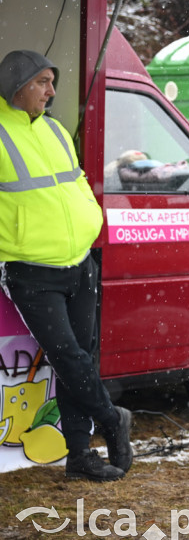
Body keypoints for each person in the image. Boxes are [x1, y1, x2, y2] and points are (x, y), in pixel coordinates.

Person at [0, 50, 132, 481]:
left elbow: (73, 183)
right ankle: (112, 420)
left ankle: (79, 455)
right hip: (32, 270)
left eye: (52, 81)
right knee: (68, 356)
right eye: (42, 82)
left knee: (82, 360)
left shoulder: (56, 130)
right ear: (16, 86)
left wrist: (90, 224)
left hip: (81, 262)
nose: (52, 91)